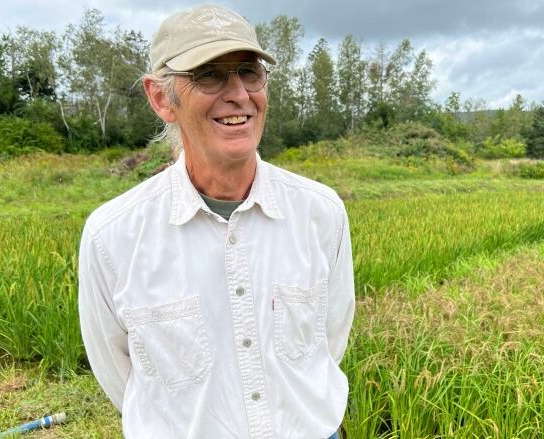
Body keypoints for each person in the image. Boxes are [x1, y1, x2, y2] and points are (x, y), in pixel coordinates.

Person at [77, 5, 355, 438]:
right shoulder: (113, 236)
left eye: (249, 71)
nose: (238, 93)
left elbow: (330, 339)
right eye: (209, 74)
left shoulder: (320, 212)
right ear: (160, 98)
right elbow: (118, 372)